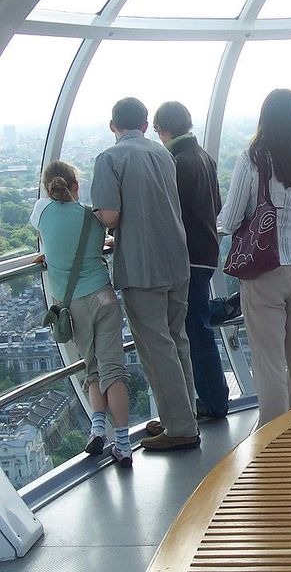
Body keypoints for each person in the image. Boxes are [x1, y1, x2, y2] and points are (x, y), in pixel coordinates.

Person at [219, 89, 291, 427]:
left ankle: (274, 434)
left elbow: (229, 221)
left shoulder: (252, 159)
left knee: (269, 359)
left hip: (263, 271)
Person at [91, 97, 199, 451]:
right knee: (176, 340)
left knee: (156, 348)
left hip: (142, 266)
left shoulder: (110, 159)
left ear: (113, 126)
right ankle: (181, 415)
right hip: (176, 260)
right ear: (145, 122)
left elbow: (109, 215)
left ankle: (181, 426)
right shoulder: (162, 153)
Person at [31, 162, 132, 466]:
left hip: (73, 303)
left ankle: (97, 428)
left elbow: (55, 240)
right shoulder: (92, 216)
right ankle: (124, 444)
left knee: (92, 369)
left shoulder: (41, 212)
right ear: (76, 186)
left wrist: (48, 255)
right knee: (113, 369)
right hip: (103, 295)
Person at [153, 101, 229, 420]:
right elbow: (218, 204)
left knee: (194, 330)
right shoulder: (203, 157)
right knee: (198, 325)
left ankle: (213, 400)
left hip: (187, 256)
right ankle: (213, 397)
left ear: (165, 130)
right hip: (207, 252)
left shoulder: (174, 161)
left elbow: (166, 213)